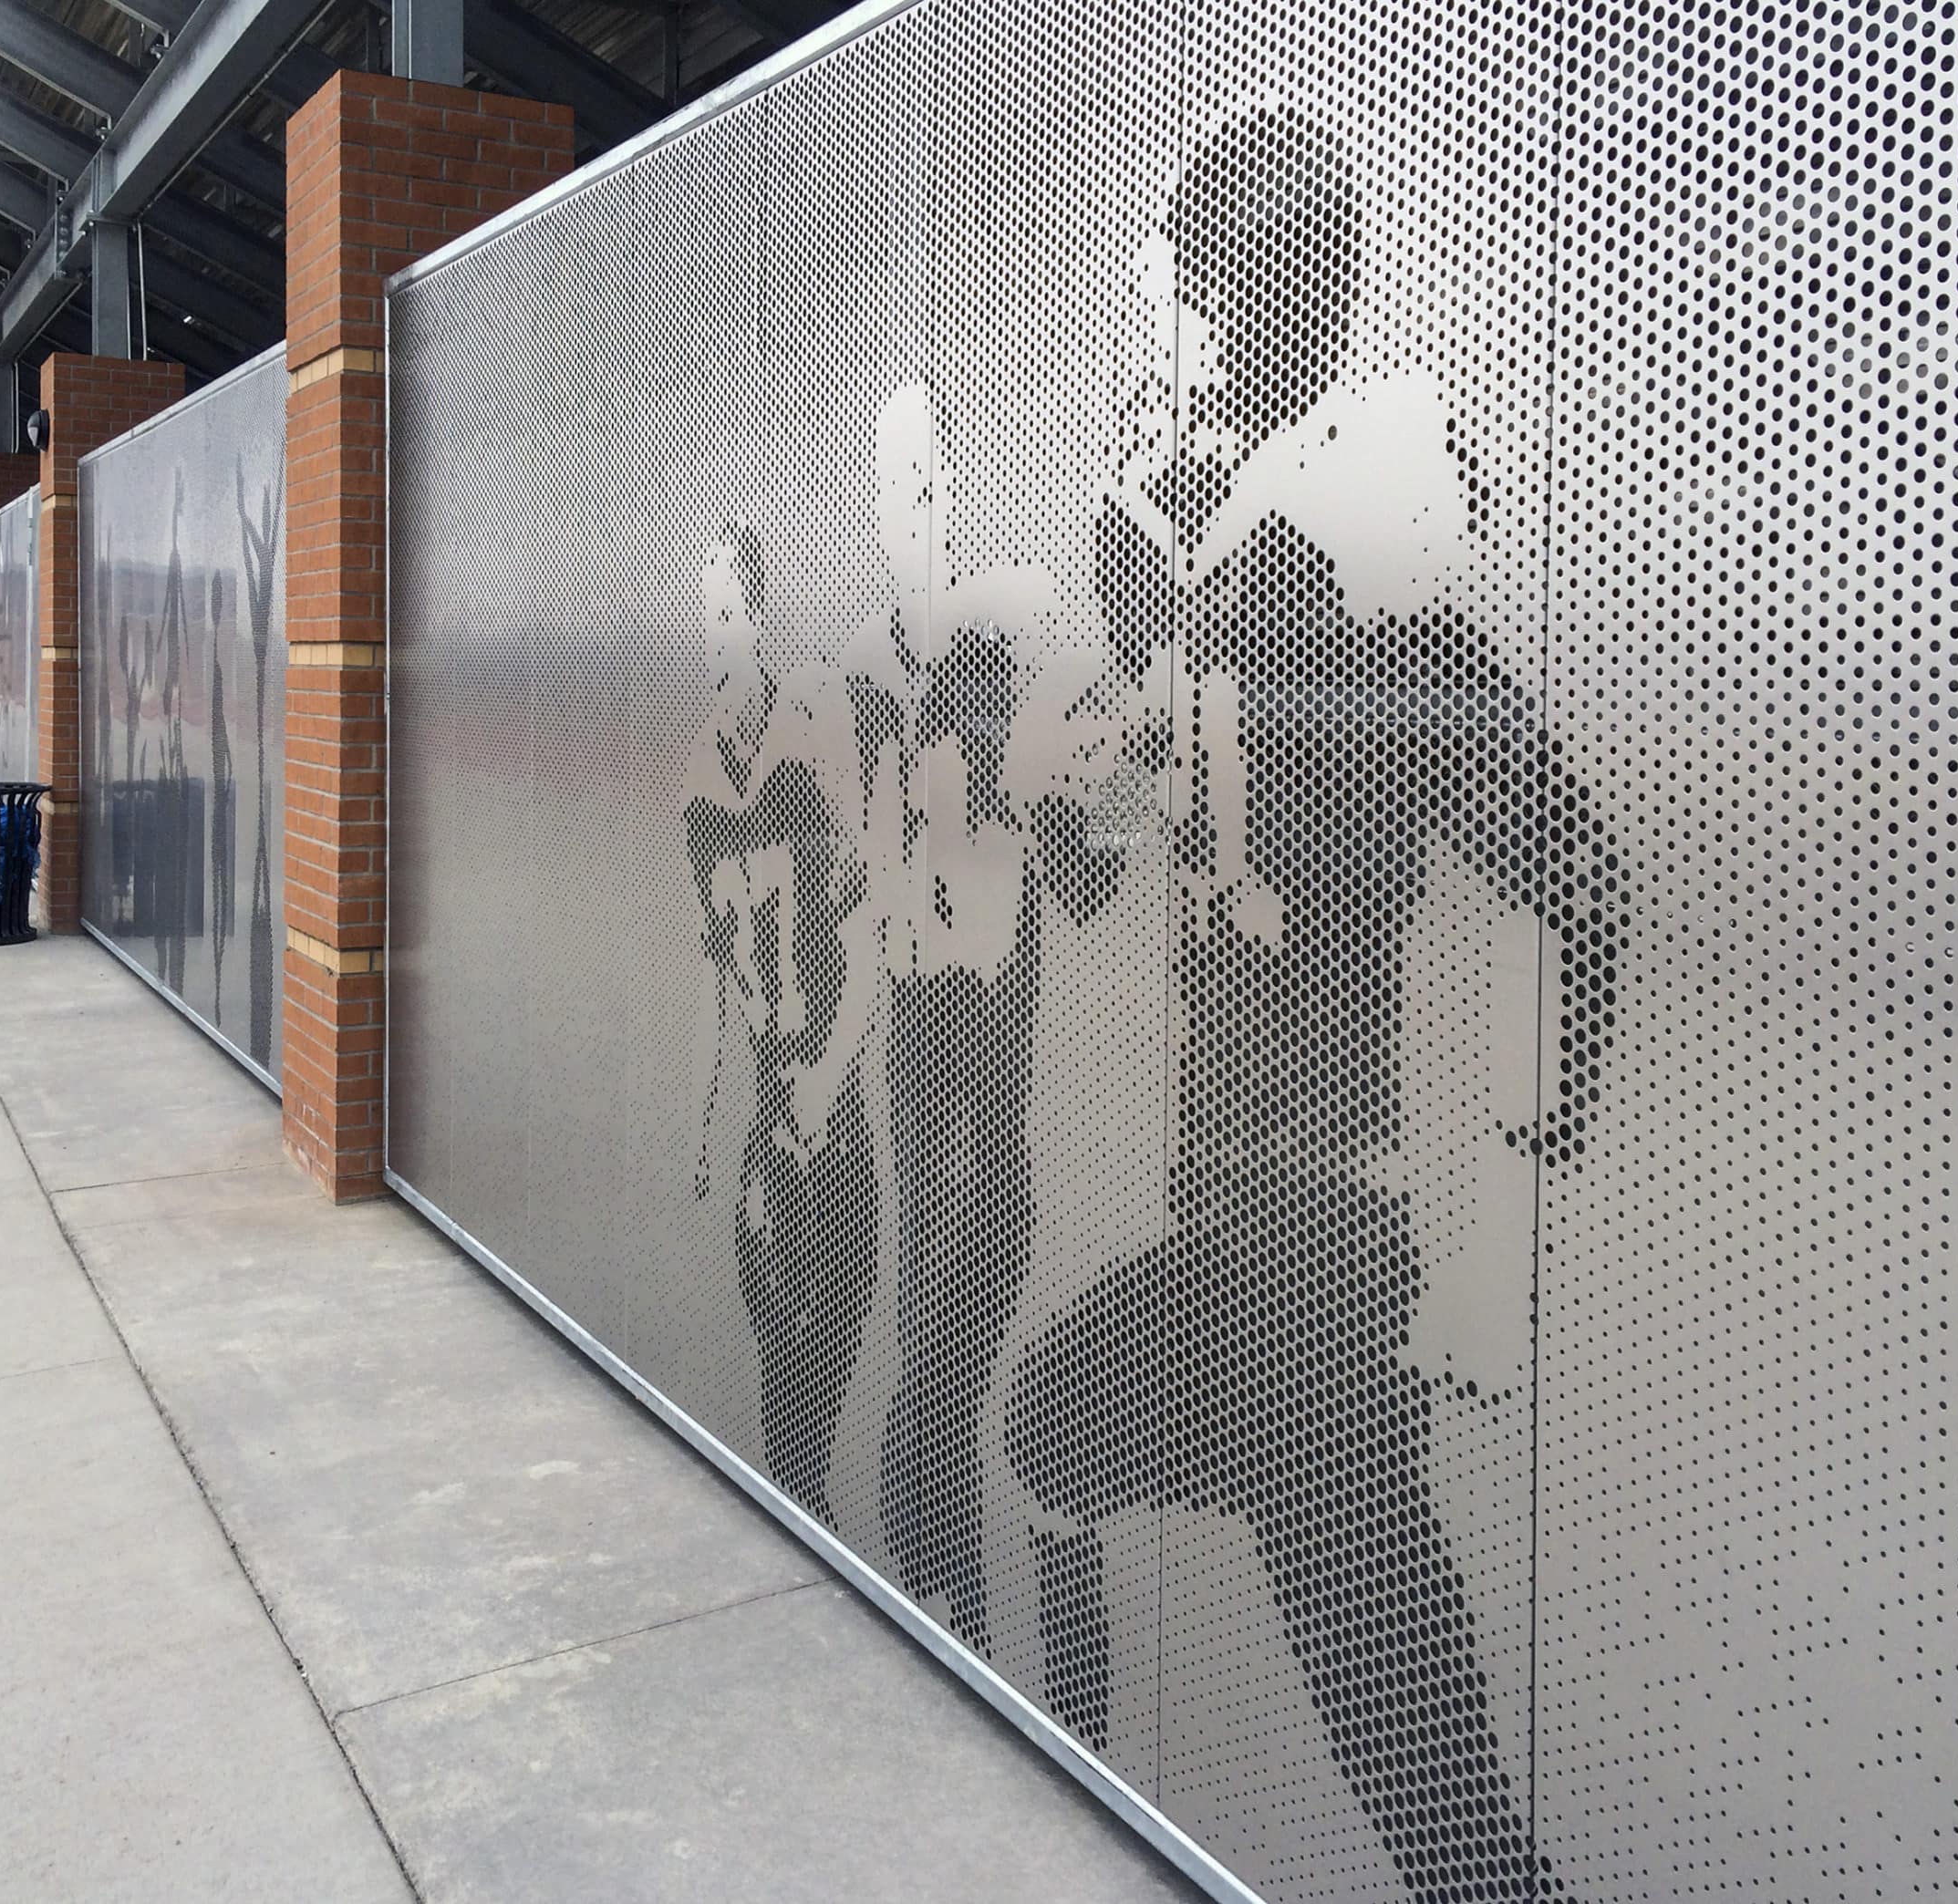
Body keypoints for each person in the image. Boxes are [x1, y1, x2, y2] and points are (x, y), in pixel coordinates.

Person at [1004, 107, 1617, 1903]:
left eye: (1182, 310)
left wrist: (1503, 1213)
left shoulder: (1361, 588)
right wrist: (1071, 766)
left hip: (1317, 1245)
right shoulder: (1184, 589)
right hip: (1257, 1225)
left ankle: (1083, 1762)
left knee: (1060, 1434)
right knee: (1417, 1763)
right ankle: (1093, 1763)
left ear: (1274, 311)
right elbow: (1092, 870)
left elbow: (1578, 878)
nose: (1156, 361)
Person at [850, 385, 1119, 1653]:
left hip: (1000, 1121)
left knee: (968, 1396)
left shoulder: (1001, 672)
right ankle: (957, 1626)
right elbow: (857, 890)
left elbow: (1091, 877)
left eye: (936, 485)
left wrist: (1042, 786)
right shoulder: (863, 685)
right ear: (875, 511)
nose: (923, 511)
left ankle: (1008, 1654)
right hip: (918, 1098)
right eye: (901, 487)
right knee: (937, 1387)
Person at [684, 523, 882, 1526]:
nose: (715, 639)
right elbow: (726, 974)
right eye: (703, 619)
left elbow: (863, 919)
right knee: (780, 1332)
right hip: (771, 1119)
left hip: (832, 1110)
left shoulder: (811, 727)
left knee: (832, 1315)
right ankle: (802, 1523)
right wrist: (718, 1109)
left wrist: (835, 1063)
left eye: (727, 616)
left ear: (757, 618)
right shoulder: (702, 790)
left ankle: (814, 1523)